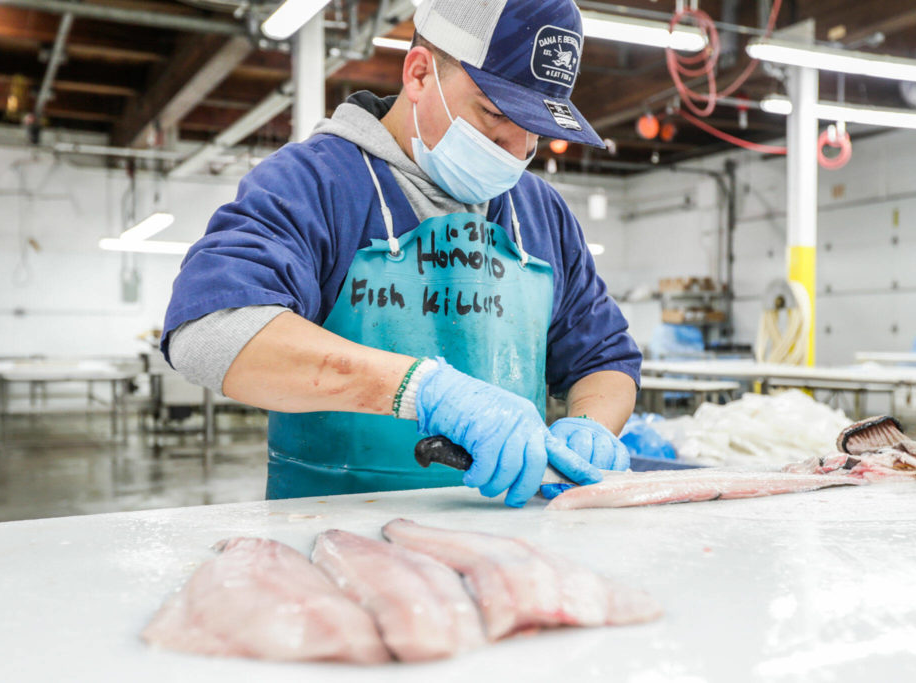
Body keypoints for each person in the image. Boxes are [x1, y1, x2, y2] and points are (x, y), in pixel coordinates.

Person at [161, 0, 642, 507]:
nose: (516, 148)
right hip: (330, 536)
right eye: (495, 114)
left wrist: (589, 428)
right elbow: (211, 329)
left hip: (508, 536)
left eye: (538, 128)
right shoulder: (315, 183)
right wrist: (423, 390)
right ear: (418, 74)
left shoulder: (540, 211)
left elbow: (603, 357)